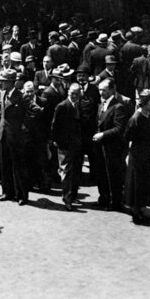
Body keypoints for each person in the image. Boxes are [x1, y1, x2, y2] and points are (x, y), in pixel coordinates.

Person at [93, 78, 128, 211]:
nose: (101, 92)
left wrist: (103, 134)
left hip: (112, 148)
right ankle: (104, 198)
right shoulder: (102, 104)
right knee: (101, 174)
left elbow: (119, 128)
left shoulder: (118, 107)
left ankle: (115, 202)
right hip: (101, 147)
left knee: (113, 176)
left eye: (104, 90)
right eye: (100, 90)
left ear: (112, 90)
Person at [0, 69, 32, 206]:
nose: (1, 83)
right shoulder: (2, 93)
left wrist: (24, 126)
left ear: (11, 82)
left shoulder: (22, 96)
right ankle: (7, 192)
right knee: (4, 164)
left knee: (18, 166)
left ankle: (22, 195)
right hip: (3, 133)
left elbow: (33, 112)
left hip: (16, 136)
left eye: (3, 81)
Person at [123, 90, 150, 224]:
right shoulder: (135, 118)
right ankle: (135, 211)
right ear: (144, 103)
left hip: (146, 154)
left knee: (143, 182)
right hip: (137, 155)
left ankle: (140, 208)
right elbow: (127, 136)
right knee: (136, 183)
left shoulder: (149, 114)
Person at [51, 83, 84, 211]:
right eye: (72, 93)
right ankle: (67, 199)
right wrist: (56, 141)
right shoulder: (62, 106)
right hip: (64, 145)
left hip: (77, 145)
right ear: (68, 92)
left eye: (77, 94)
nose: (74, 96)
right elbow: (54, 125)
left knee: (76, 171)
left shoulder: (79, 106)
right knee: (66, 172)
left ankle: (73, 195)